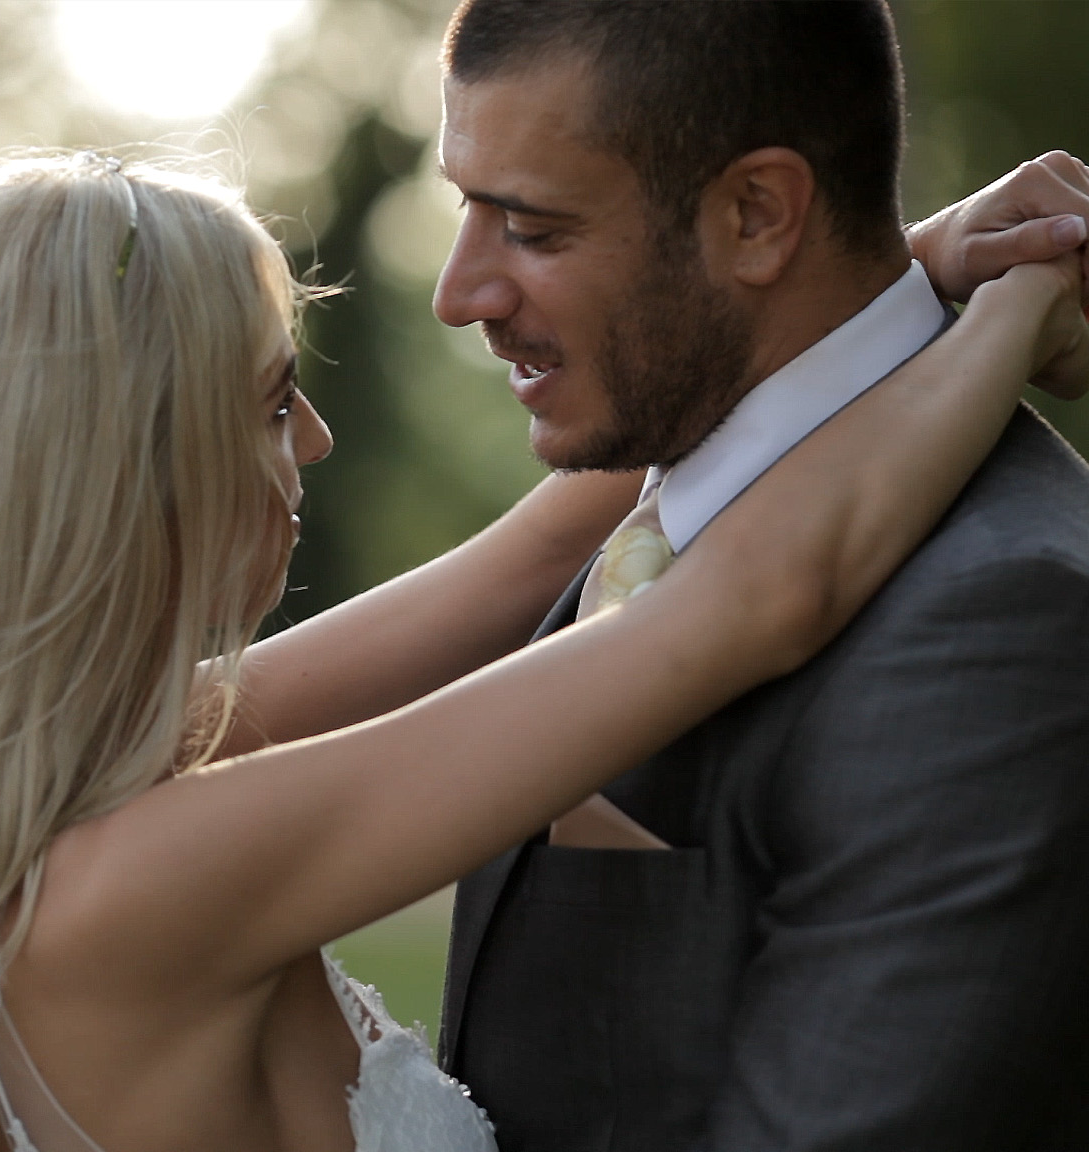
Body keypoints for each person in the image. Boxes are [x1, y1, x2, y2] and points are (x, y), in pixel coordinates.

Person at [0, 148, 1083, 1152]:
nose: (313, 442)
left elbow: (527, 554)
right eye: (272, 403)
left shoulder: (45, 808)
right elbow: (762, 598)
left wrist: (902, 274)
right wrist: (1023, 302)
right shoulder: (133, 884)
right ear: (116, 475)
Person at [427, 3, 1089, 1150]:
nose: (459, 291)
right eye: (464, 209)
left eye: (529, 228)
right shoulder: (657, 504)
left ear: (755, 214)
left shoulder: (998, 621)